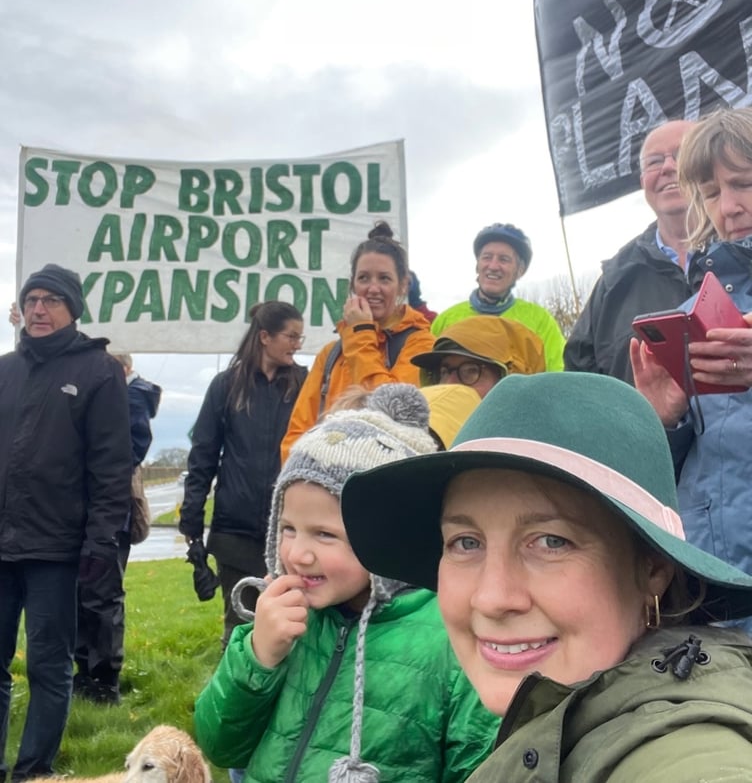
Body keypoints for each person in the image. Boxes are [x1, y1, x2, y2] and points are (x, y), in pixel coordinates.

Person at [341, 371, 752, 780]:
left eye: (551, 542)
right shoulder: (554, 725)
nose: (492, 598)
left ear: (653, 569)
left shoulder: (683, 749)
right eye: (466, 543)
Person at [193, 384, 499, 783]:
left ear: (390, 536)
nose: (299, 554)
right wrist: (257, 657)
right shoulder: (285, 621)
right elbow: (221, 746)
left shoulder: (450, 640)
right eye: (288, 528)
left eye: (324, 534)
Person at [0, 264, 131, 782]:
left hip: (56, 550)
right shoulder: (5, 370)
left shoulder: (99, 372)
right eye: (31, 299)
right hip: (1, 546)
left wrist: (100, 541)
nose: (38, 309)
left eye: (51, 300)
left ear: (72, 309)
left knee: (48, 667)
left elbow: (111, 465)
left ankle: (34, 771)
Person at [631, 108, 752, 607]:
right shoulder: (691, 314)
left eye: (742, 184)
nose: (729, 208)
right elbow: (665, 476)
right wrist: (661, 420)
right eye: (710, 193)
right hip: (708, 585)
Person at [180, 301, 308, 647]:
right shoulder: (226, 385)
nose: (297, 344)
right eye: (291, 336)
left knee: (291, 626)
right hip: (235, 529)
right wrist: (191, 522)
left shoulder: (303, 384)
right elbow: (203, 455)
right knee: (240, 627)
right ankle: (233, 699)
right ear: (265, 336)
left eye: (300, 337)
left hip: (290, 528)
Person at [280, 221, 434, 461]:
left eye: (384, 279)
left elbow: (393, 411)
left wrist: (361, 332)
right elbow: (298, 431)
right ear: (352, 284)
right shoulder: (331, 354)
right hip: (322, 481)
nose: (373, 289)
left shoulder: (421, 343)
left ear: (403, 285)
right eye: (364, 278)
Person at [565, 119, 694, 383]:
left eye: (682, 155)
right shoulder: (614, 279)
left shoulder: (742, 253)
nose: (668, 167)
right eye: (654, 161)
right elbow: (581, 383)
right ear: (642, 180)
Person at [73, 352, 162, 704]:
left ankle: (105, 678)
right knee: (82, 595)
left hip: (110, 514)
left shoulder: (132, 397)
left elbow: (129, 451)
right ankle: (86, 673)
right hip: (87, 511)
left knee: (103, 596)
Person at [431, 223, 565, 371]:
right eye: (487, 257)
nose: (493, 266)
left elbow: (558, 376)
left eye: (504, 259)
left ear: (520, 271)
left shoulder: (541, 321)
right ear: (477, 265)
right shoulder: (446, 320)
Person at [413, 315, 546, 399]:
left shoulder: (542, 442)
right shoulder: (424, 440)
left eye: (471, 371)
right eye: (444, 372)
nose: (449, 384)